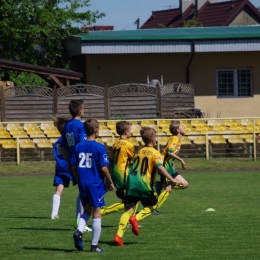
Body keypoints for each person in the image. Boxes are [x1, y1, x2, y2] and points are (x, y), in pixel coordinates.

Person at [114, 127, 181, 246]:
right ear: (153, 139)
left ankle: (118, 236)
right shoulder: (155, 153)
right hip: (144, 184)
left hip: (131, 183)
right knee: (154, 205)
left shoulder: (138, 151)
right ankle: (137, 219)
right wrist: (171, 179)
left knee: (129, 210)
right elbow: (160, 167)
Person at [72, 118, 115, 252]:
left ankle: (78, 232)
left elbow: (73, 166)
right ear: (96, 130)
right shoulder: (99, 147)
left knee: (86, 211)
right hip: (95, 184)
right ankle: (94, 246)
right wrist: (110, 180)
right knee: (97, 214)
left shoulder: (78, 146)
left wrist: (79, 179)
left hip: (83, 183)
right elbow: (103, 168)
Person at [60, 100, 91, 232]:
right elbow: (82, 145)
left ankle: (79, 220)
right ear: (80, 111)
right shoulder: (81, 126)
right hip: (82, 162)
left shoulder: (67, 126)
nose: (84, 111)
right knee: (84, 191)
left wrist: (68, 161)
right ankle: (80, 222)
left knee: (82, 190)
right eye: (83, 109)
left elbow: (62, 146)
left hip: (73, 162)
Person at [100, 121, 134, 216]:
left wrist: (108, 178)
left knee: (128, 198)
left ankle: (130, 220)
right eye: (130, 130)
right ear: (126, 132)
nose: (131, 132)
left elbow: (110, 161)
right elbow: (133, 160)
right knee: (131, 200)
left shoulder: (115, 144)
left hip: (115, 173)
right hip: (123, 174)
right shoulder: (129, 145)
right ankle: (102, 212)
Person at [50, 116, 70, 219]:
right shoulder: (68, 140)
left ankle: (54, 214)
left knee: (59, 190)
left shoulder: (57, 142)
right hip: (69, 166)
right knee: (83, 188)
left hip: (59, 167)